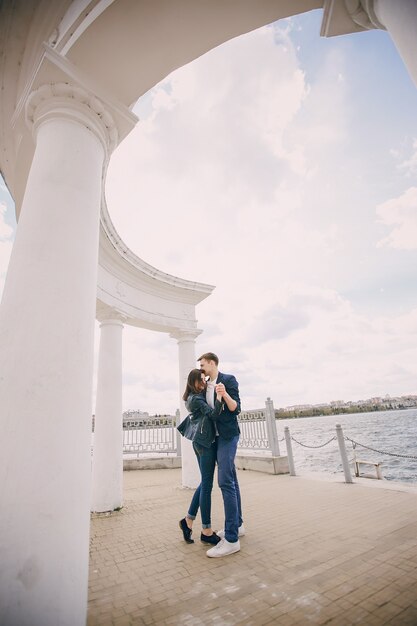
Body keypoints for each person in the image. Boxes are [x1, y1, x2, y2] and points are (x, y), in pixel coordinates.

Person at [198, 352, 245, 557]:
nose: (201, 368)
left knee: (225, 481)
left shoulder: (228, 380)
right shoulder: (204, 385)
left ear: (212, 363)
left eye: (202, 364)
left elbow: (236, 409)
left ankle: (232, 539)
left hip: (228, 436)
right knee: (232, 479)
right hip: (214, 439)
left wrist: (225, 394)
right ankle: (239, 525)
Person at [178, 369, 223, 546]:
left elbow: (204, 389)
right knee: (207, 486)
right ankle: (206, 530)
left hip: (200, 441)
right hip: (205, 443)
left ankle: (188, 521)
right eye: (201, 381)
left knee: (204, 483)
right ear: (193, 382)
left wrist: (208, 379)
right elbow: (213, 414)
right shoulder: (196, 399)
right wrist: (219, 397)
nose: (203, 384)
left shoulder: (192, 397)